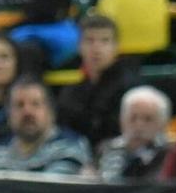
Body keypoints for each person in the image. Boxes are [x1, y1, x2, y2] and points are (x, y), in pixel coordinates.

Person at [56, 14, 138, 148]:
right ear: (79, 46)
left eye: (105, 41)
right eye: (90, 41)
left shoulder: (131, 89)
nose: (96, 48)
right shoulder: (71, 92)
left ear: (116, 47)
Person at [0, 77, 91, 174]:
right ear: (8, 114)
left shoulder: (71, 147)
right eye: (19, 105)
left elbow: (51, 189)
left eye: (35, 104)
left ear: (50, 112)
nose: (27, 112)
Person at [97, 85, 172, 181]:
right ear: (121, 120)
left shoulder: (171, 155)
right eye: (133, 118)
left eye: (148, 119)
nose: (139, 125)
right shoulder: (106, 149)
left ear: (163, 124)